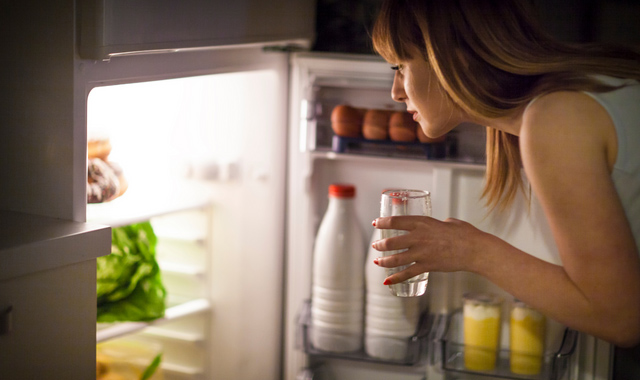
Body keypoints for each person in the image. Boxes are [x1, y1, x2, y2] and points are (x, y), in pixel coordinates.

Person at [368, 0, 640, 370]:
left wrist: (472, 251)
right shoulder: (566, 97)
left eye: (401, 66)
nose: (396, 91)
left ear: (454, 57)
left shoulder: (555, 120)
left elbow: (620, 319)